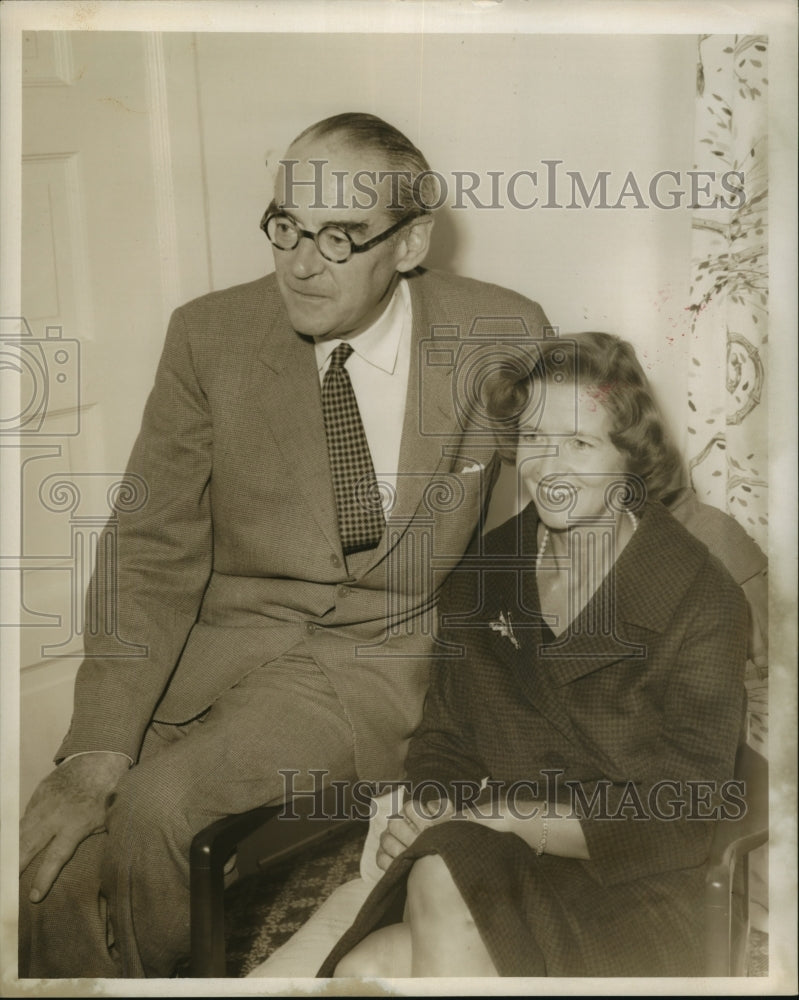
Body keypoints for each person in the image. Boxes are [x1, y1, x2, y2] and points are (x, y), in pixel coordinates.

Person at [17, 114, 765, 979]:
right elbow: (148, 547)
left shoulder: (495, 325)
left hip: (378, 662)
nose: (300, 263)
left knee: (158, 808)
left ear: (410, 242)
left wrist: (740, 580)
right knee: (58, 849)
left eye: (339, 238)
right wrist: (97, 742)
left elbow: (609, 458)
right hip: (223, 642)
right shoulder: (207, 337)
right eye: (285, 226)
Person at [320, 332, 750, 979]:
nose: (548, 468)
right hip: (496, 854)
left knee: (392, 943)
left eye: (579, 443)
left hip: (633, 886)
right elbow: (447, 733)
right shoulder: (484, 570)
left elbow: (683, 812)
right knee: (370, 963)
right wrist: (432, 803)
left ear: (630, 457)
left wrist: (510, 820)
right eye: (533, 438)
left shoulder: (700, 598)